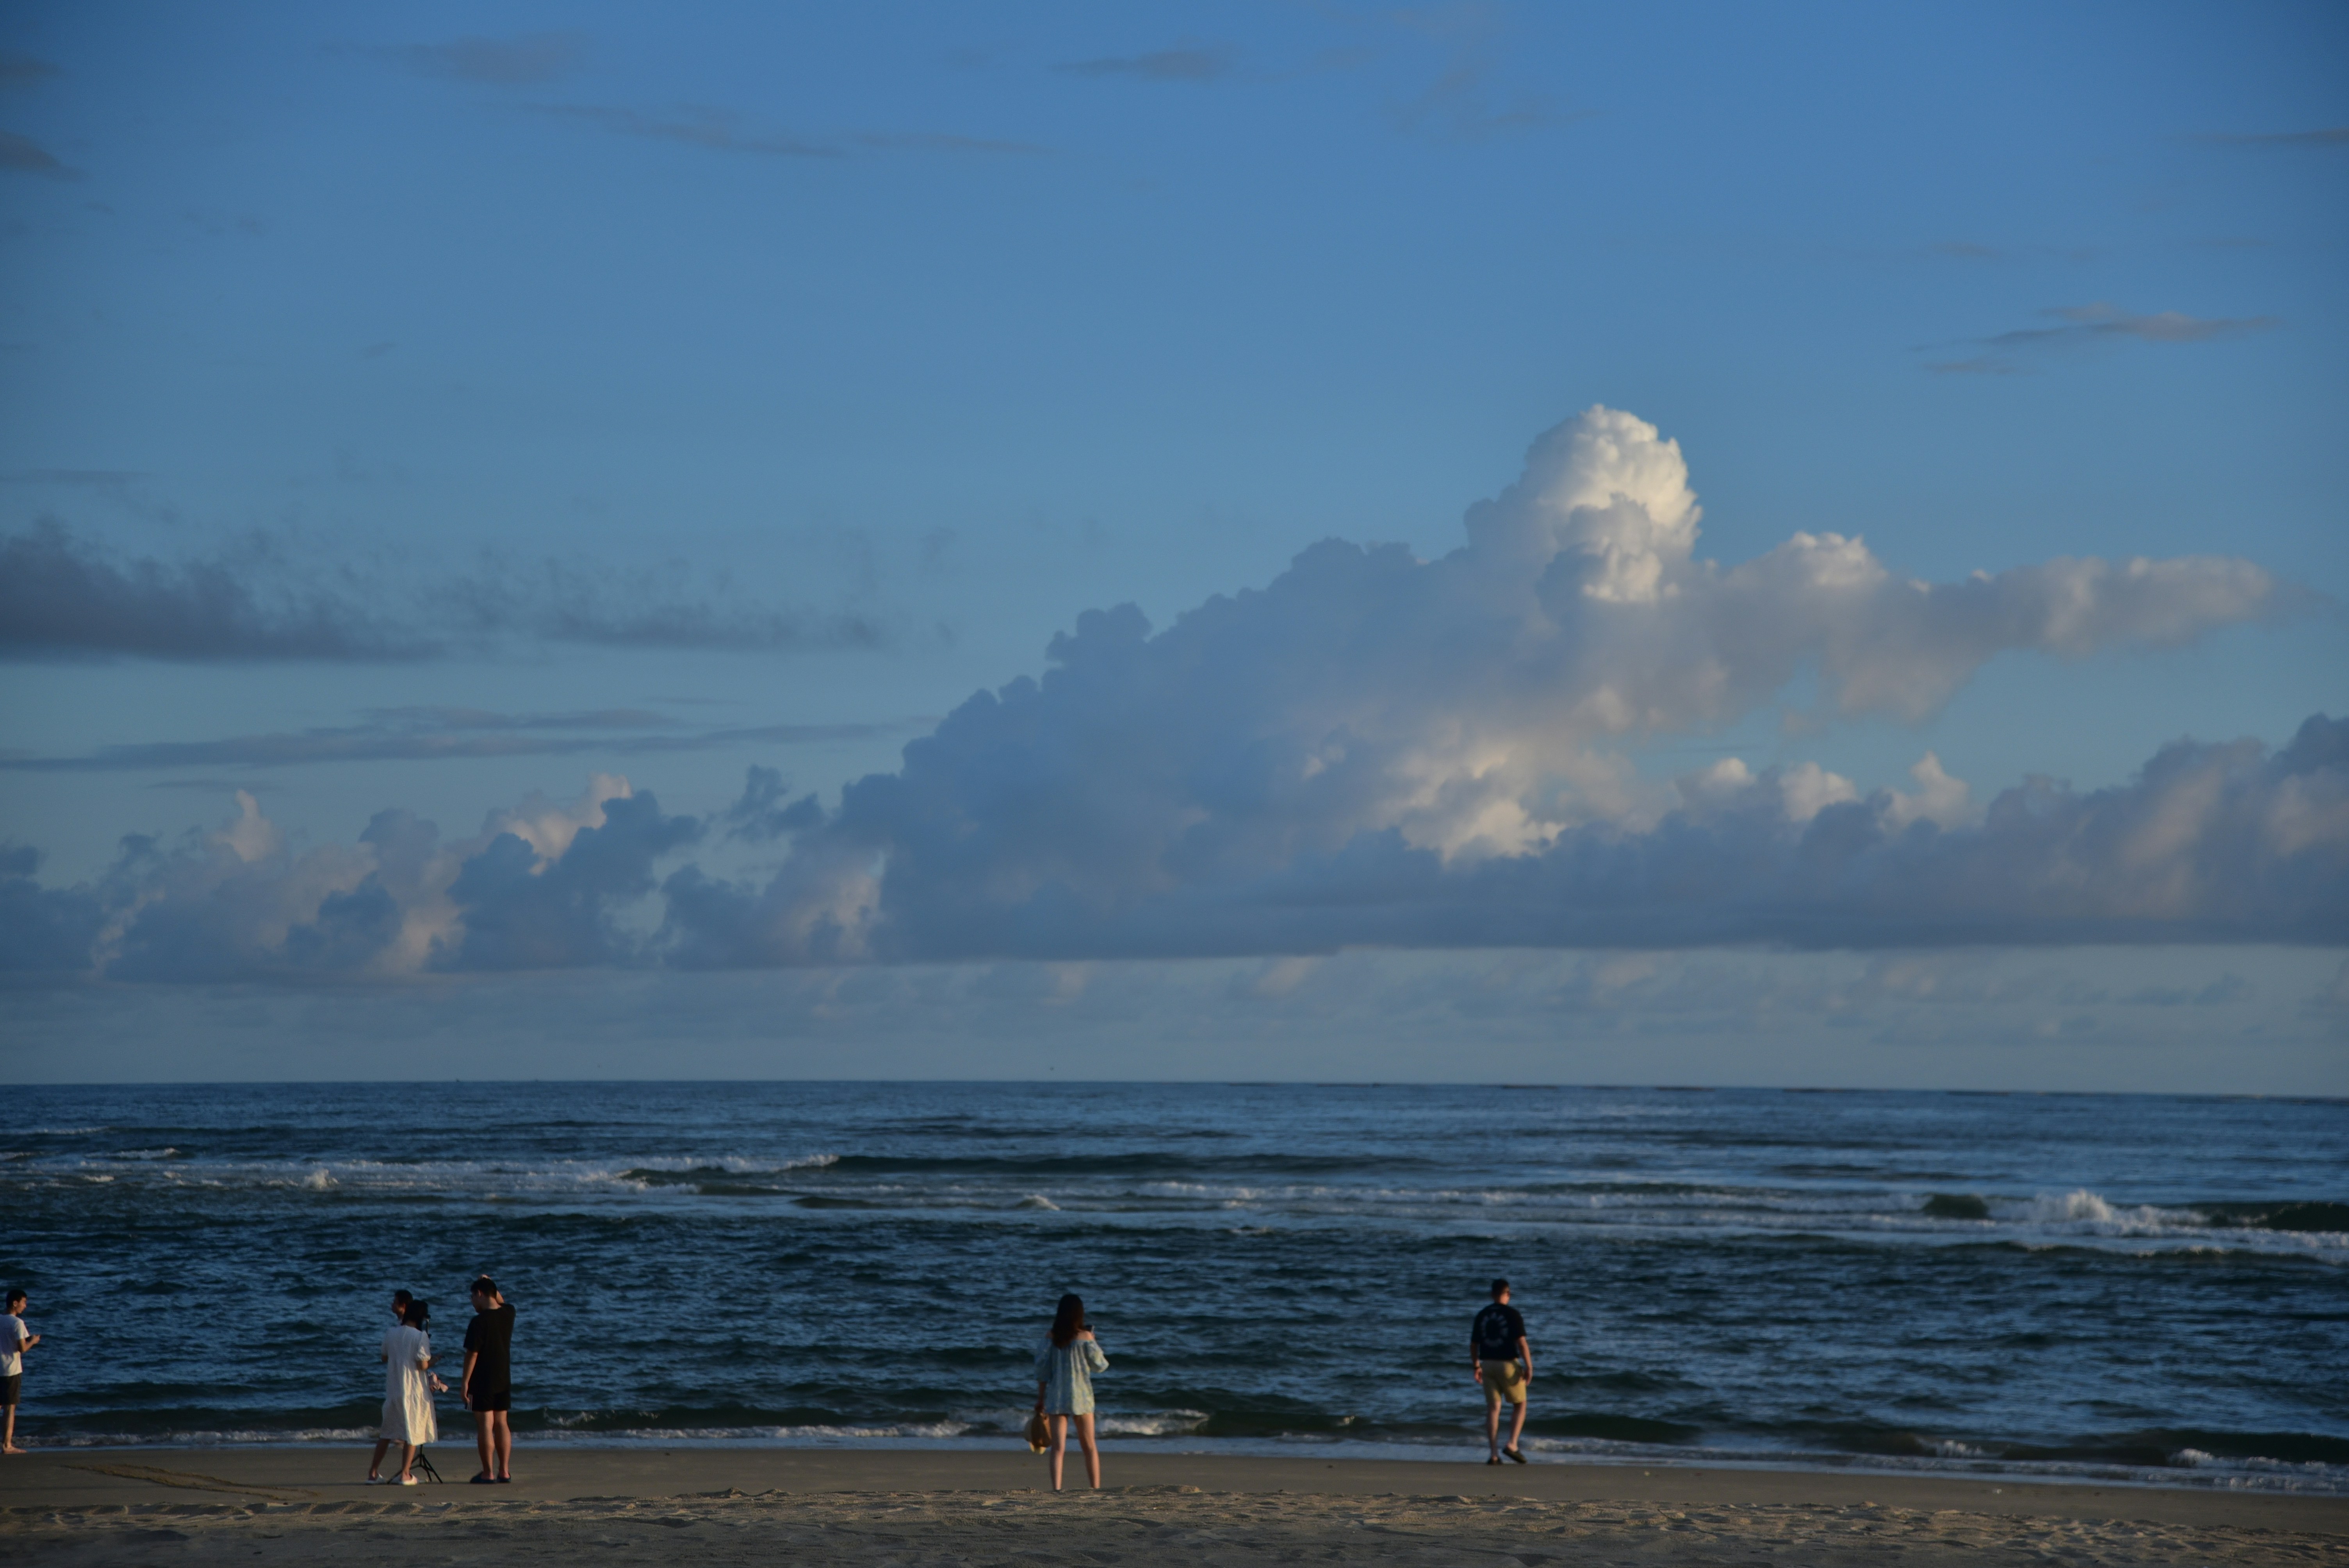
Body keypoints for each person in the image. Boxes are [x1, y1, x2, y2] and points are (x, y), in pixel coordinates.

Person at [1032, 1292, 1109, 1491]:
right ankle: (1095, 1489)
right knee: (1089, 1447)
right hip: (1082, 1397)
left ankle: (1057, 1489)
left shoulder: (1050, 1338)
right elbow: (1101, 1366)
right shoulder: (1085, 1338)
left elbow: (1042, 1371)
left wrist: (1040, 1399)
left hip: (1057, 1396)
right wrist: (1094, 1341)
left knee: (1058, 1449)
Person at [371, 1298, 438, 1485]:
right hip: (414, 1390)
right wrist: (435, 1360)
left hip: (394, 1389)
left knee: (387, 1433)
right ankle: (406, 1474)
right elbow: (422, 1365)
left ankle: (373, 1473)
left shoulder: (391, 1333)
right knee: (413, 1433)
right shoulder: (420, 1336)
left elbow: (384, 1357)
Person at [1471, 1277, 1531, 1465]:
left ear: (1492, 1294)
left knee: (1493, 1408)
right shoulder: (1513, 1314)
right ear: (1508, 1294)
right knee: (1520, 1404)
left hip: (1488, 1364)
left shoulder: (1482, 1314)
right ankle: (1512, 1444)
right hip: (1508, 1364)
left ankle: (1494, 1454)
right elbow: (1521, 1343)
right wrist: (1529, 1366)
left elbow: (1474, 1344)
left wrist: (1476, 1365)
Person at [461, 1276, 515, 1484]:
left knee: (485, 1424)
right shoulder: (508, 1314)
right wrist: (491, 1283)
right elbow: (500, 1301)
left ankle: (488, 1472)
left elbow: (472, 1354)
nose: (472, 1302)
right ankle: (505, 1471)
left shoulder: (479, 1322)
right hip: (503, 1376)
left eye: (473, 1298)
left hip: (483, 1378)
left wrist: (465, 1382)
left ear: (480, 1294)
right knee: (502, 1423)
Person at [2, 1288, 38, 1456]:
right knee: (10, 1407)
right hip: (11, 1369)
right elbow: (22, 1348)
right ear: (15, 1303)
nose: (25, 1306)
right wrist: (33, 1341)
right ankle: (7, 1445)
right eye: (24, 1302)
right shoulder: (18, 1323)